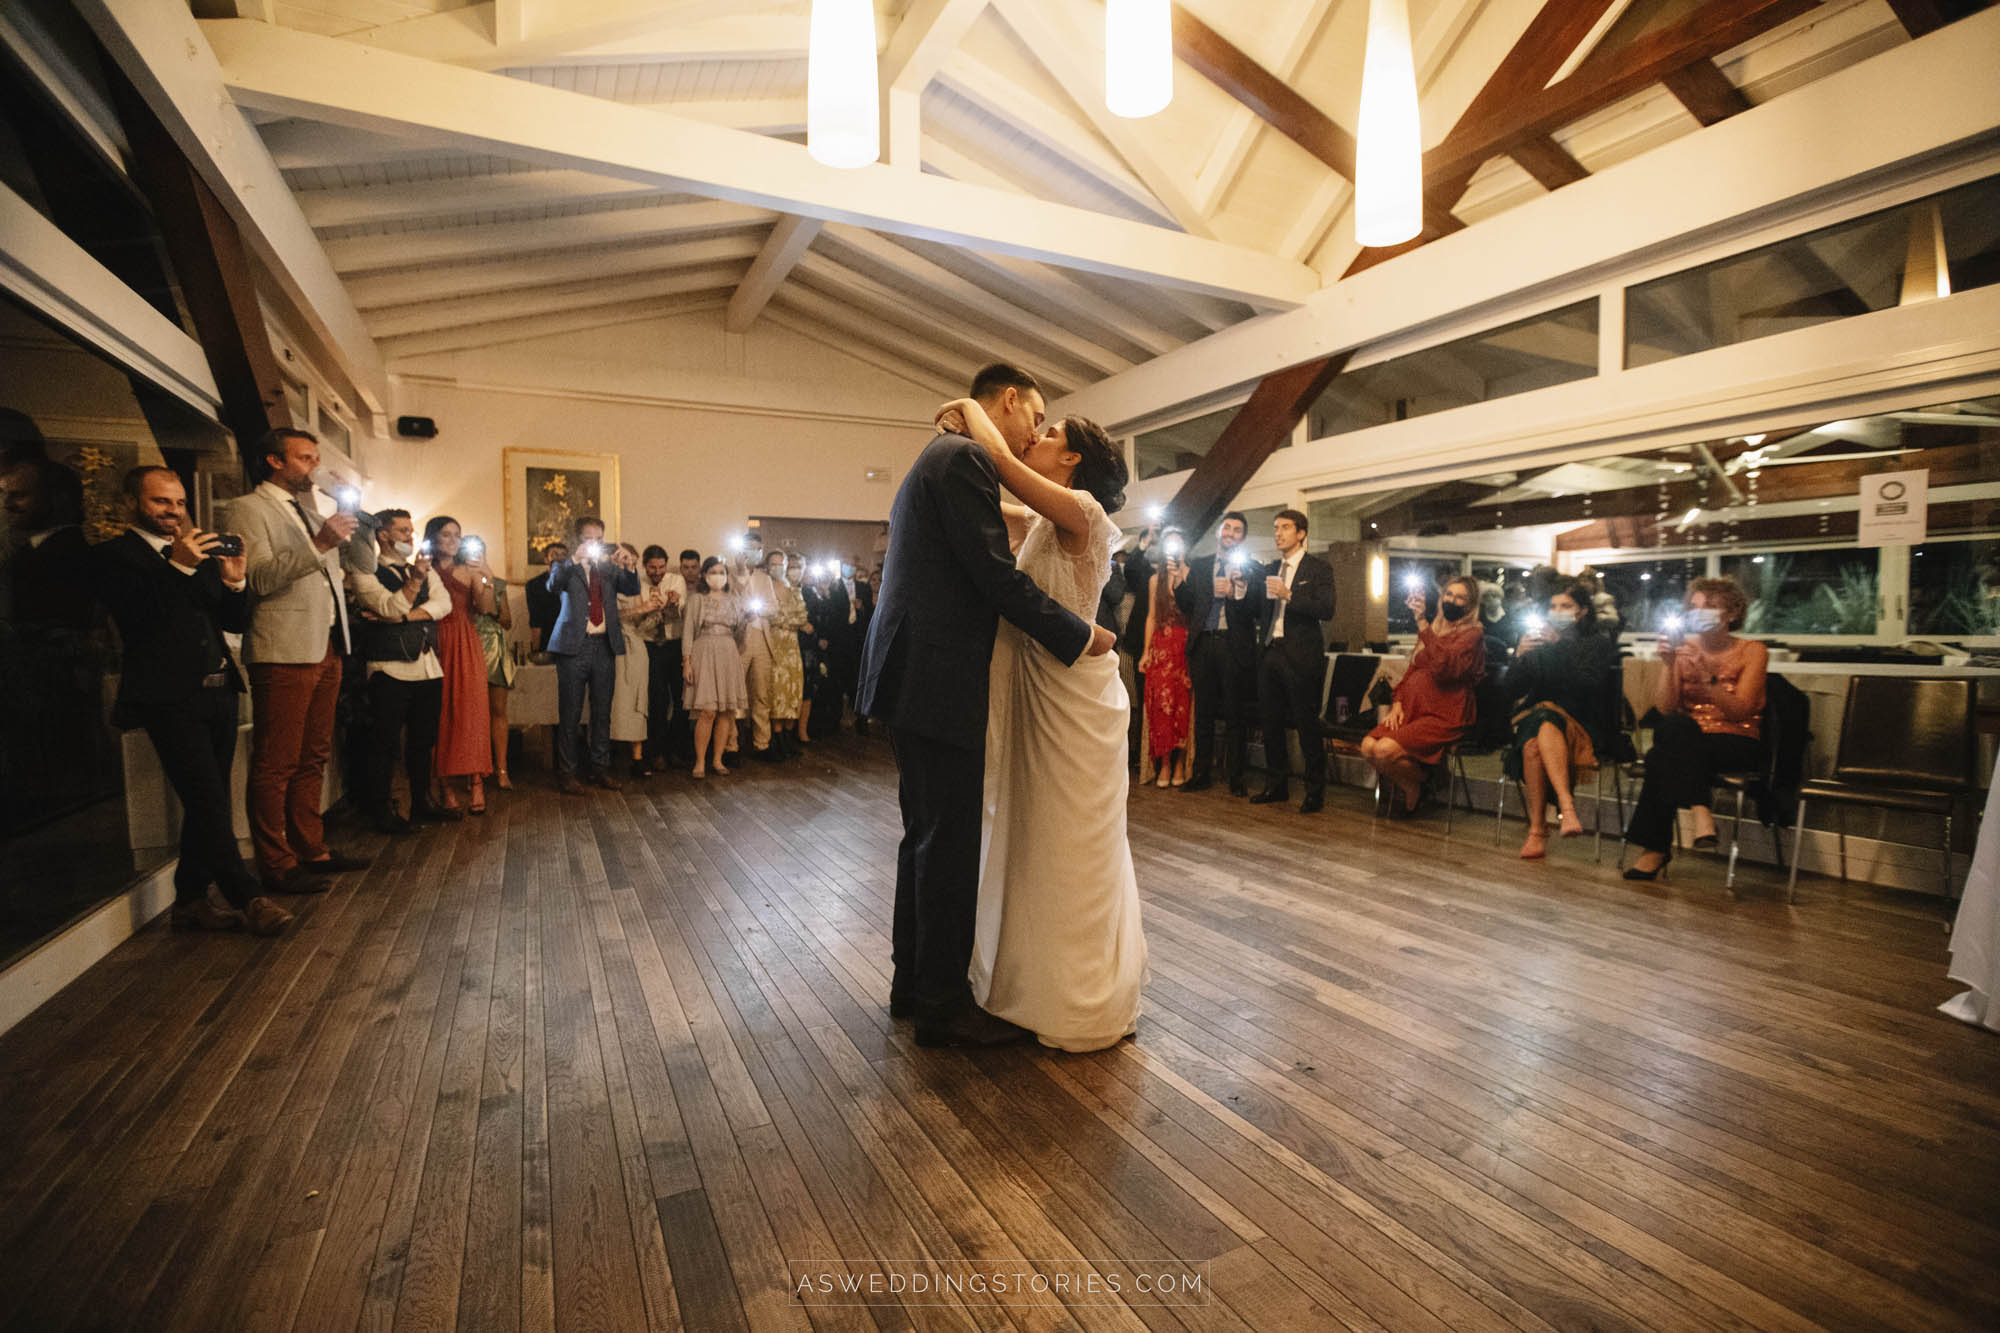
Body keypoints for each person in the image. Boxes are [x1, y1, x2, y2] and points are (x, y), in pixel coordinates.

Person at [858, 363, 1112, 1050]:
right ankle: (942, 1005)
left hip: (910, 671)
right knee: (946, 843)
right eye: (1036, 416)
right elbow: (995, 577)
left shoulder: (945, 454)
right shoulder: (966, 456)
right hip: (936, 676)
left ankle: (912, 984)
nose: (1035, 431)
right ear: (1010, 402)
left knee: (924, 836)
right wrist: (1080, 634)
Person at [937, 395, 1145, 1051]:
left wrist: (971, 407)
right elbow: (991, 506)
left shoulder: (1081, 510)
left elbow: (998, 461)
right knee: (1035, 832)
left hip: (1076, 697)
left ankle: (1076, 993)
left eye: (1052, 431)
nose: (1040, 435)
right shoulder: (1043, 520)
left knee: (1068, 836)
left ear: (1074, 457)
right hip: (1042, 687)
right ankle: (1033, 983)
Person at [91, 466, 291, 937]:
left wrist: (235, 581)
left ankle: (190, 900)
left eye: (179, 502)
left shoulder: (198, 554)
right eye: (162, 501)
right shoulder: (113, 556)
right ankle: (248, 896)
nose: (174, 511)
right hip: (167, 697)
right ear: (132, 503)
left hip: (219, 690)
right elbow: (142, 619)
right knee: (206, 799)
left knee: (211, 798)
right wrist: (177, 566)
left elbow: (232, 622)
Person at [224, 428, 373, 894]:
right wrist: (320, 544)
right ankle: (276, 862)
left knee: (314, 757)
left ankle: (313, 849)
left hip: (326, 644)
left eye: (315, 458)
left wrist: (358, 522)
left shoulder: (309, 511)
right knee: (276, 762)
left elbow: (363, 568)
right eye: (304, 458)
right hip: (284, 647)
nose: (313, 467)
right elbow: (259, 578)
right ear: (273, 460)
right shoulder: (246, 508)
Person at [1624, 578, 1769, 881]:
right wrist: (1667, 664)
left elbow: (1741, 710)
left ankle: (1656, 849)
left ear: (1731, 614)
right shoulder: (1683, 648)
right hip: (1689, 740)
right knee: (1674, 727)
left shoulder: (1753, 651)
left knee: (1659, 757)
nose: (1699, 612)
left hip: (1736, 740)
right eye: (1694, 607)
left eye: (1710, 607)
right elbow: (1664, 707)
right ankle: (1702, 812)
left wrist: (1707, 679)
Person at [347, 508, 457, 835]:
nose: (410, 537)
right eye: (402, 531)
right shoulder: (366, 572)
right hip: (389, 668)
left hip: (427, 666)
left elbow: (444, 605)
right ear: (382, 535)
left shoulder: (423, 569)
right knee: (385, 744)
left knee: (423, 741)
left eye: (411, 531)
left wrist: (406, 617)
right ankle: (382, 810)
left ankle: (422, 801)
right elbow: (389, 606)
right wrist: (412, 588)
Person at [1503, 580, 1623, 858]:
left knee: (1538, 729)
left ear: (1581, 611)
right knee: (1540, 722)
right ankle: (1566, 809)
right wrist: (1519, 656)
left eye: (1565, 606)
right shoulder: (1536, 643)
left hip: (1582, 721)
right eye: (1553, 606)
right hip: (1539, 717)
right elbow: (1511, 691)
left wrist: (1559, 648)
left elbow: (1586, 687)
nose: (1557, 611)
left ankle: (1537, 831)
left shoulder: (1597, 644)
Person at [1362, 575, 1486, 818]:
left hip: (1445, 712)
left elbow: (1442, 667)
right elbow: (1412, 670)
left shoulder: (1472, 634)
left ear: (1470, 605)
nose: (1453, 600)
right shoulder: (1434, 630)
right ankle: (1420, 782)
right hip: (1413, 709)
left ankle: (1419, 784)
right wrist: (1398, 701)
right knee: (1368, 747)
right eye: (1449, 594)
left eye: (1460, 597)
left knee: (1385, 750)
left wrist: (1421, 623)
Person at [1246, 510, 1334, 814]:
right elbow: (1260, 611)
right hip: (1271, 651)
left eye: (1285, 527)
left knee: (1306, 724)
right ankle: (1277, 785)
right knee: (1270, 723)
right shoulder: (1271, 568)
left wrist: (1289, 594)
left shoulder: (1318, 568)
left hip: (1301, 655)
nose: (1278, 533)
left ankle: (1314, 792)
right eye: (1275, 528)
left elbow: (1327, 609)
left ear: (1301, 533)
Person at [544, 516, 640, 793]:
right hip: (573, 647)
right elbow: (552, 586)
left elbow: (632, 588)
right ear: (578, 539)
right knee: (570, 713)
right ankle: (567, 774)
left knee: (602, 712)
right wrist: (576, 558)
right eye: (589, 538)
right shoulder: (564, 565)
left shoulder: (608, 568)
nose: (594, 544)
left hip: (604, 645)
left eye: (599, 539)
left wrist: (630, 564)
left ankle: (600, 769)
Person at [1174, 511, 1257, 794]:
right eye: (1227, 528)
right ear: (1219, 532)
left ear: (1242, 537)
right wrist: (1178, 580)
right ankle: (1201, 774)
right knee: (1204, 714)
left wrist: (1235, 592)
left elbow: (1255, 612)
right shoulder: (1200, 565)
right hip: (1203, 645)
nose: (1230, 533)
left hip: (1233, 646)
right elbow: (1188, 605)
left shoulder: (1251, 568)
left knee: (1235, 715)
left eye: (1236, 530)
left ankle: (1236, 778)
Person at [423, 517, 497, 813]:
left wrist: (487, 578)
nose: (453, 540)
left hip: (464, 642)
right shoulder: (423, 568)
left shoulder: (468, 571)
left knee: (471, 712)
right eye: (446, 534)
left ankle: (476, 781)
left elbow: (485, 608)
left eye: (457, 535)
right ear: (434, 537)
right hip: (433, 640)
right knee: (438, 714)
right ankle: (443, 785)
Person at [683, 555, 746, 778]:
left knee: (726, 711)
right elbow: (688, 632)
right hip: (704, 651)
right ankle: (700, 761)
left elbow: (740, 633)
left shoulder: (734, 600)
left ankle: (718, 760)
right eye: (713, 572)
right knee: (708, 711)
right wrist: (687, 662)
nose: (718, 577)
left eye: (722, 572)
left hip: (728, 652)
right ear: (705, 575)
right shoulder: (696, 600)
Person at [1140, 529, 1194, 787]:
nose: (1174, 549)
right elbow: (1151, 616)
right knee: (1161, 705)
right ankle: (1163, 763)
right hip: (1161, 645)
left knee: (1183, 704)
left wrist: (1179, 578)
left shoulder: (1192, 575)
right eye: (1169, 545)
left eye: (1178, 544)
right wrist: (1145, 651)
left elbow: (1193, 610)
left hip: (1184, 645)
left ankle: (1181, 762)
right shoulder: (1155, 580)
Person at [632, 544, 686, 776]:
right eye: (652, 567)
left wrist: (673, 603)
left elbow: (678, 612)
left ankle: (678, 749)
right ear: (645, 566)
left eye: (661, 566)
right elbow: (635, 618)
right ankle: (657, 752)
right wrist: (646, 608)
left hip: (674, 644)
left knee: (681, 699)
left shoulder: (676, 581)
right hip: (650, 646)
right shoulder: (637, 584)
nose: (657, 572)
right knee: (657, 701)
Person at [475, 545, 517, 788]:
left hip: (494, 646)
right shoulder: (458, 580)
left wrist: (493, 593)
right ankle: (476, 769)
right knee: (472, 712)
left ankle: (502, 770)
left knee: (498, 711)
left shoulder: (498, 583)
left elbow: (508, 622)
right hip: (469, 644)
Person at [762, 548, 810, 759]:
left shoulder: (794, 590)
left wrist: (785, 620)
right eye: (774, 563)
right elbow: (767, 616)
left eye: (781, 564)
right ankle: (775, 736)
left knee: (792, 689)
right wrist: (789, 621)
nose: (778, 567)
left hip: (792, 645)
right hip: (773, 643)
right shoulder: (764, 589)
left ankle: (788, 736)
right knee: (776, 691)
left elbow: (802, 617)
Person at [609, 542, 652, 775]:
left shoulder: (642, 586)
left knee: (638, 699)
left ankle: (638, 756)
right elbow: (606, 614)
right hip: (614, 643)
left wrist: (656, 611)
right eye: (625, 559)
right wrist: (638, 610)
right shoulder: (609, 581)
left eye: (632, 559)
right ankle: (612, 753)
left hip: (636, 645)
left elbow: (645, 623)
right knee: (616, 701)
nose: (629, 563)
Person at [525, 541, 566, 651]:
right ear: (546, 559)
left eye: (563, 555)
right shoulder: (534, 585)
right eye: (554, 555)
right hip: (547, 642)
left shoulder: (574, 582)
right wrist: (536, 650)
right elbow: (535, 620)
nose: (559, 558)